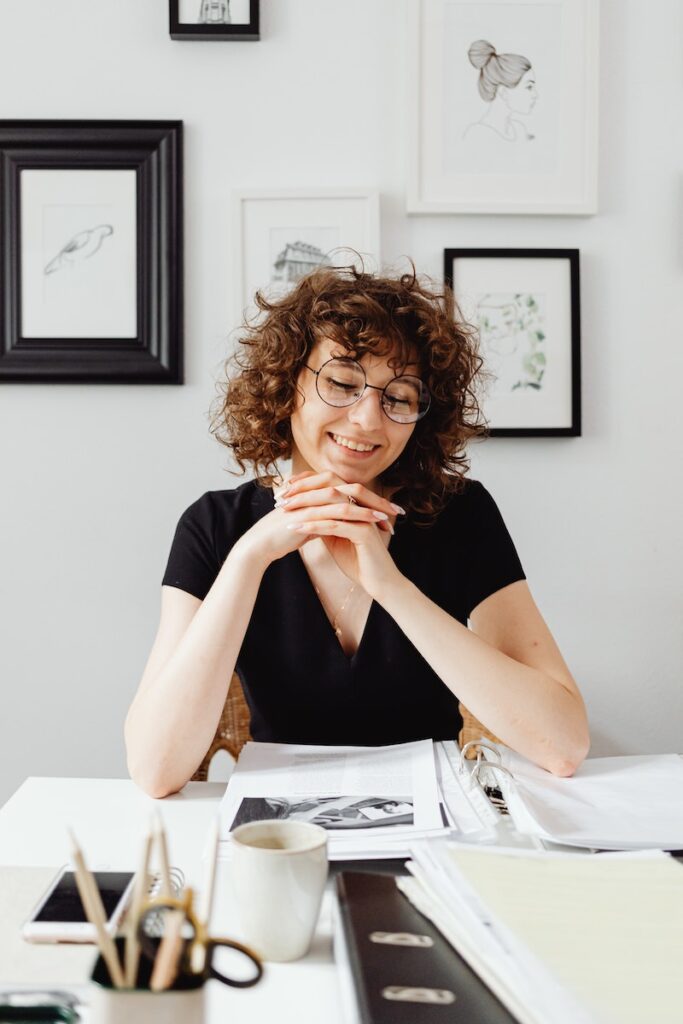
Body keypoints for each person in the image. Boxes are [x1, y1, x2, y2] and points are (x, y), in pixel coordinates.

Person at [125, 264, 589, 798]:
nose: (369, 419)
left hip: (436, 829)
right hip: (281, 834)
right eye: (343, 383)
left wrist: (391, 587)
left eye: (399, 397)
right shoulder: (216, 526)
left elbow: (564, 743)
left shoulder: (462, 514)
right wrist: (250, 557)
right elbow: (155, 770)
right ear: (286, 384)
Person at [463, 39, 538, 142]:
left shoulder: (519, 129)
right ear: (503, 92)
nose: (535, 95)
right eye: (529, 87)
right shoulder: (477, 135)